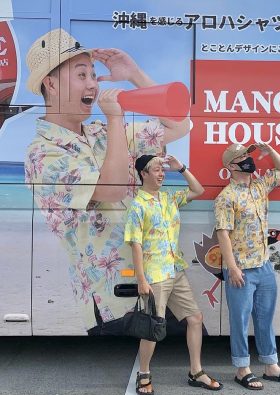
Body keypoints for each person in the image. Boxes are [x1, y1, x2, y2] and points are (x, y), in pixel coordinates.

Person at [24, 28, 190, 334]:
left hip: (154, 281)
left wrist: (134, 75)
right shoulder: (42, 153)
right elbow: (112, 190)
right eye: (81, 75)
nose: (93, 84)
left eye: (93, 74)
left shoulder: (100, 132)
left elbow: (180, 125)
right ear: (51, 84)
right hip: (114, 303)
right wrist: (115, 119)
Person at [124, 154, 223, 395]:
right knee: (153, 327)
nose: (161, 174)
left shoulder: (169, 198)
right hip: (155, 275)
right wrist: (141, 280)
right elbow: (135, 244)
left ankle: (196, 372)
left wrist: (181, 168)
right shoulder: (138, 205)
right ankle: (144, 374)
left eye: (162, 170)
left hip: (175, 270)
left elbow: (198, 190)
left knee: (195, 318)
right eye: (155, 170)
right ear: (143, 174)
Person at [214, 143, 280, 390]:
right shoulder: (226, 197)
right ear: (231, 166)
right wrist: (232, 268)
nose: (247, 159)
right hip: (241, 270)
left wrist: (270, 151)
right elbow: (223, 234)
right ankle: (242, 369)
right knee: (240, 320)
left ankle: (271, 366)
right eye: (241, 157)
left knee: (265, 318)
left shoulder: (260, 186)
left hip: (264, 266)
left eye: (247, 155)